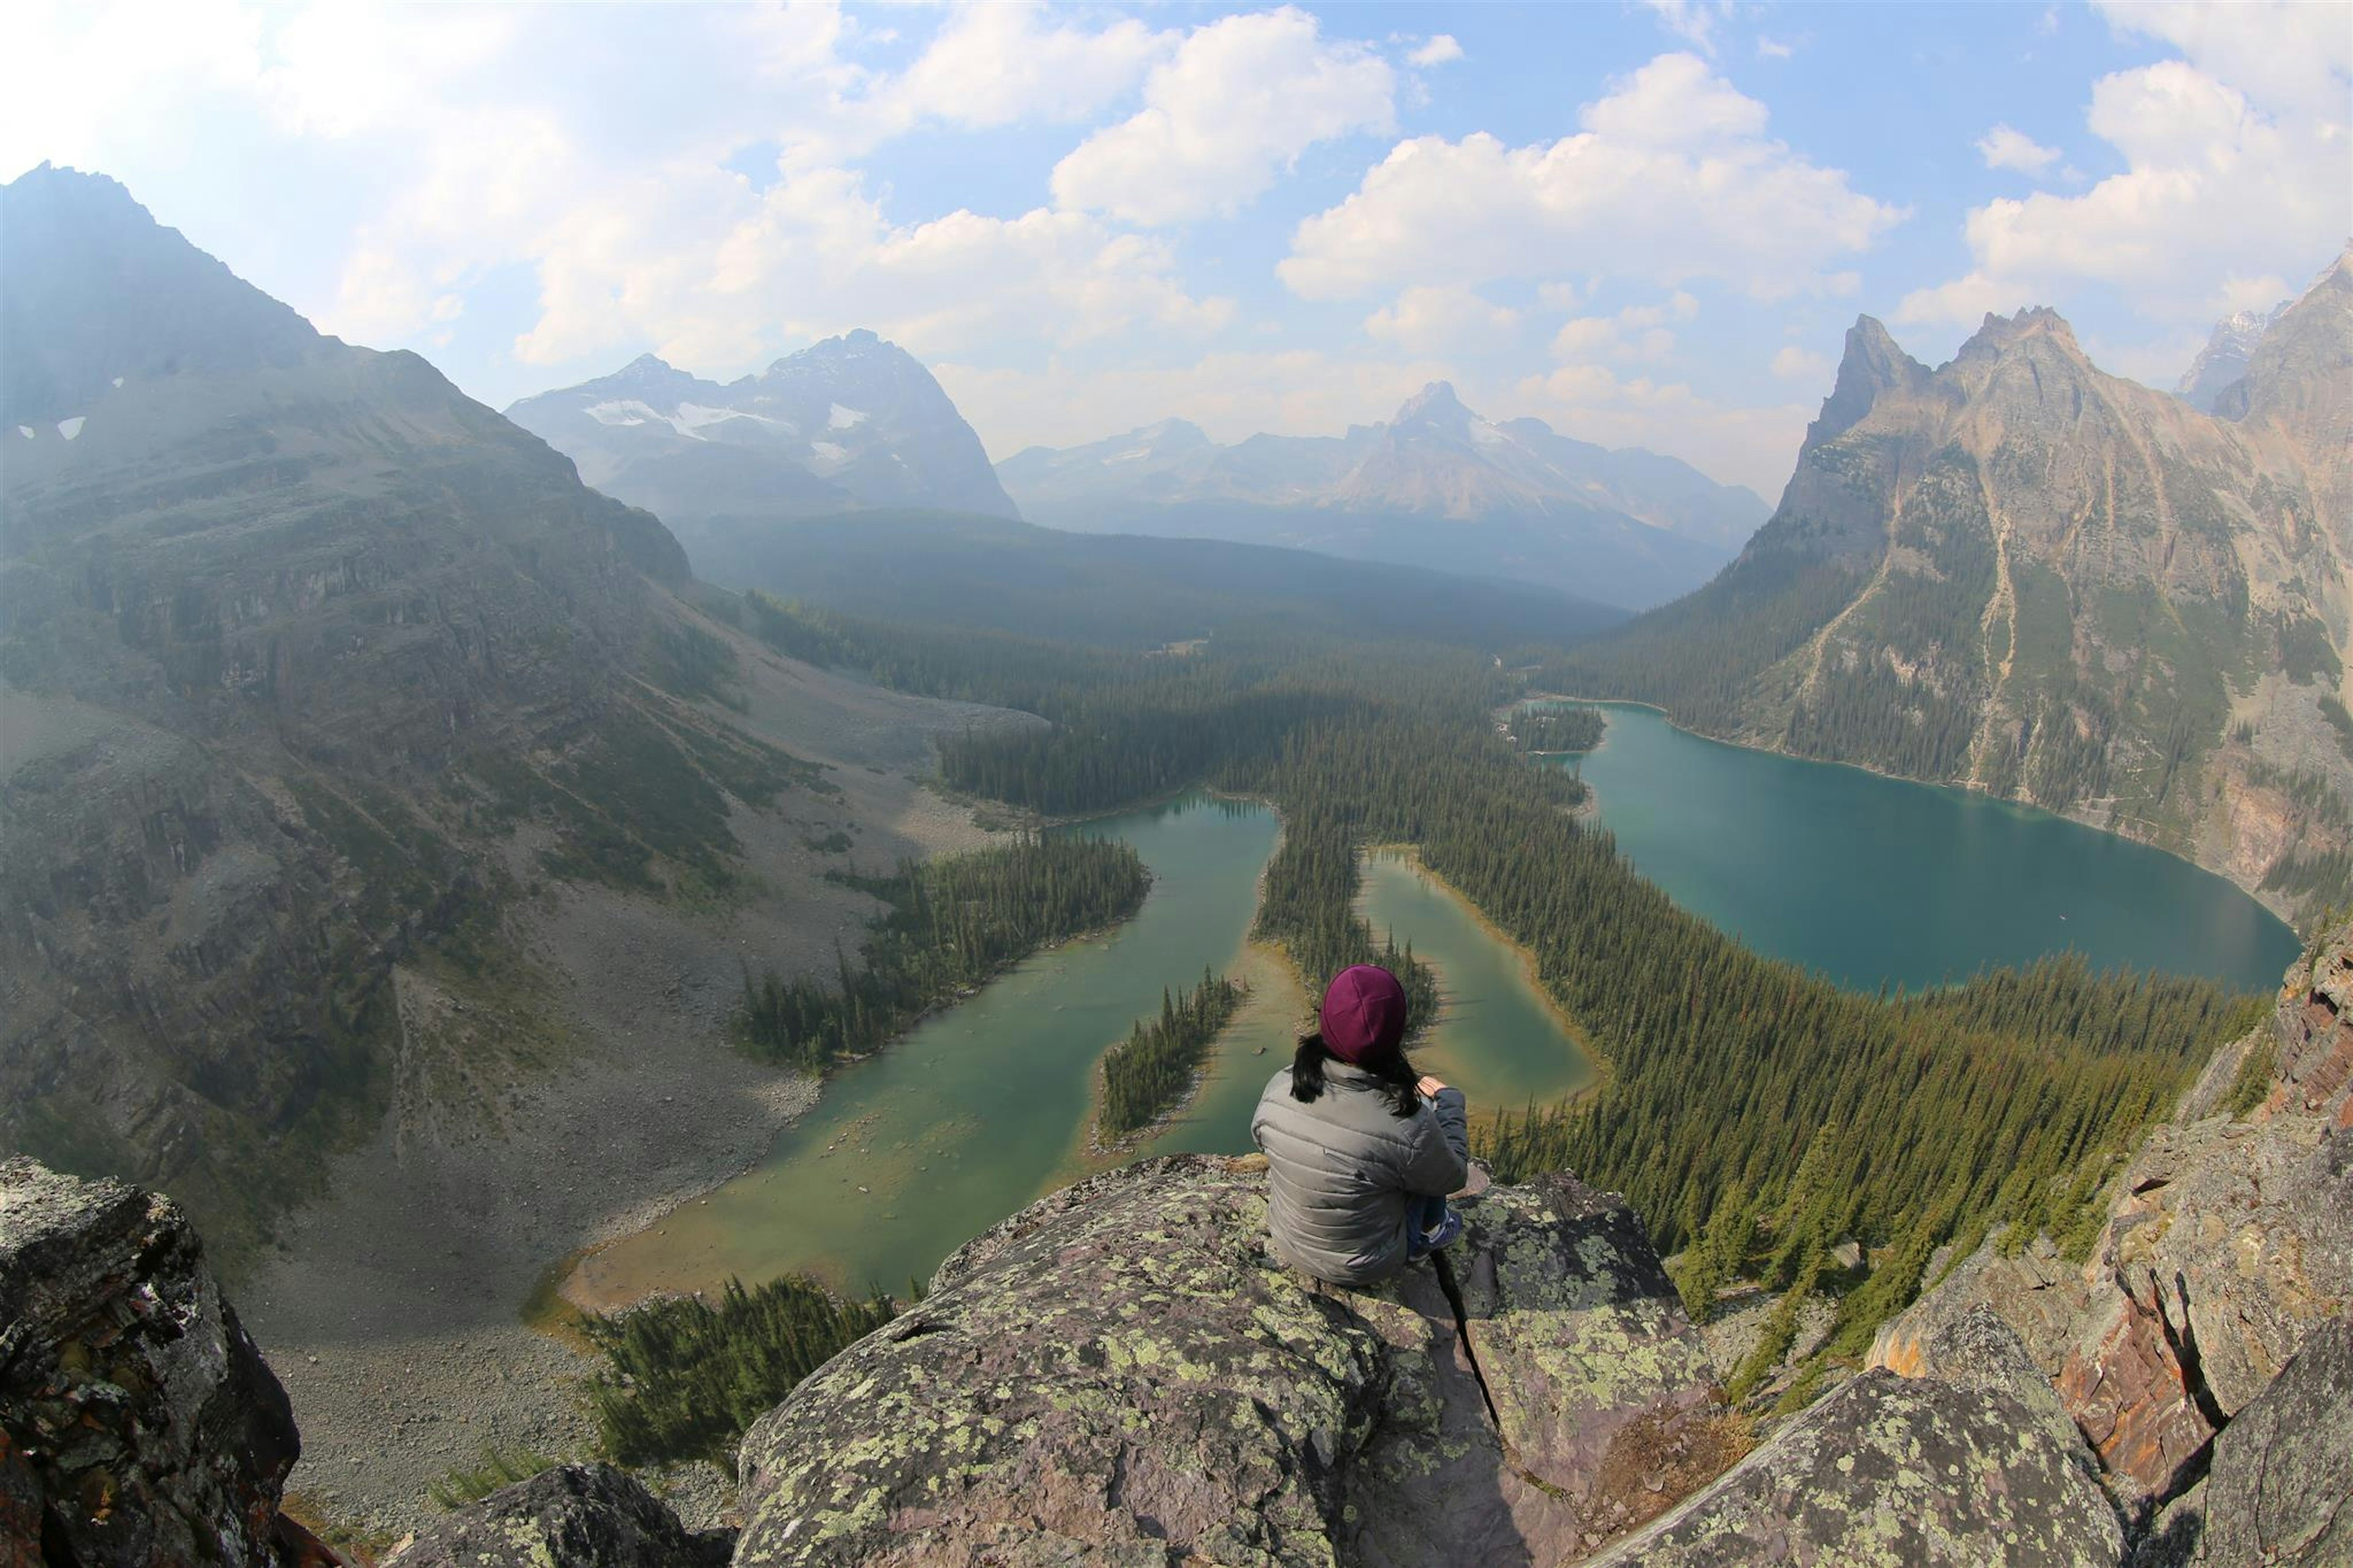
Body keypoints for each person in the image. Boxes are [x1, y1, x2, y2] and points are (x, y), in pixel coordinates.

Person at [1250, 963, 1477, 1288]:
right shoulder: (1407, 1123)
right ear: (1396, 1033)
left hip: (1289, 1240)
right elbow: (1454, 1176)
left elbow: (1261, 1139)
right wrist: (1450, 1105)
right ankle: (1432, 1231)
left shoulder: (1281, 1085)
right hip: (1367, 1265)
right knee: (1423, 1134)